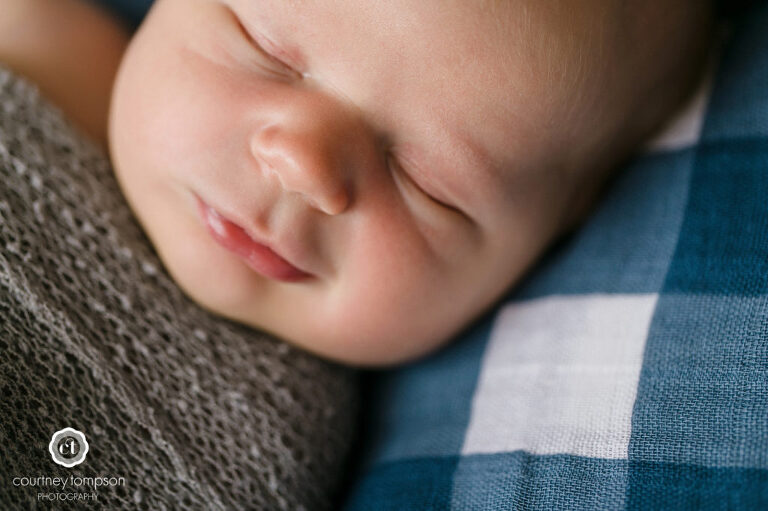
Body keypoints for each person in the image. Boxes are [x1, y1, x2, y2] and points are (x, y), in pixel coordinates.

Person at [0, 0, 714, 365]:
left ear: (560, 229)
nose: (304, 165)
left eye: (429, 185)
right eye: (265, 48)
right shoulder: (35, 41)